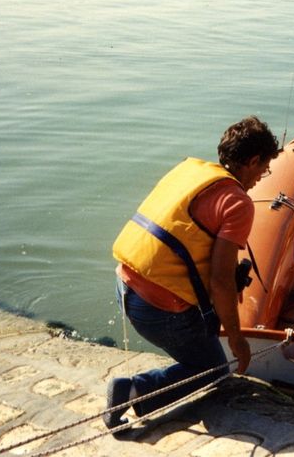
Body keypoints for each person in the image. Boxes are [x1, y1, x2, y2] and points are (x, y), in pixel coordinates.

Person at [104, 116, 279, 428]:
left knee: (203, 330)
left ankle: (154, 383)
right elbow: (221, 282)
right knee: (214, 370)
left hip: (124, 285)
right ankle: (132, 390)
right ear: (252, 161)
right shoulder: (237, 202)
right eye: (263, 168)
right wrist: (238, 341)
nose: (261, 176)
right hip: (157, 308)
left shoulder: (190, 170)